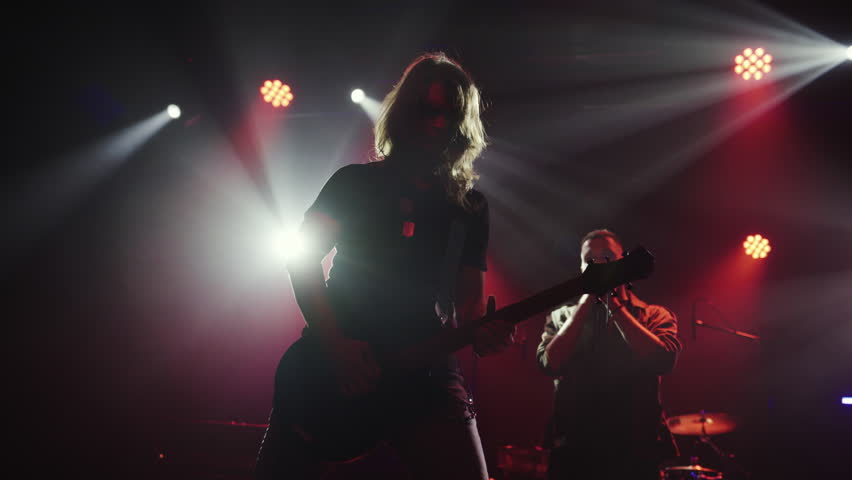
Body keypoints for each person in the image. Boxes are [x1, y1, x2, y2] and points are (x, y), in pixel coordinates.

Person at [254, 52, 516, 480]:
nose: (437, 122)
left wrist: (487, 335)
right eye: (426, 110)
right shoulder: (354, 183)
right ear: (403, 114)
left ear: (461, 122)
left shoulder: (469, 207)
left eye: (449, 113)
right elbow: (301, 259)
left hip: (426, 372)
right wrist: (335, 343)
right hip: (337, 361)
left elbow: (470, 309)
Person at [536, 229, 682, 479]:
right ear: (581, 268)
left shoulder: (654, 315)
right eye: (590, 260)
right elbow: (550, 363)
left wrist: (613, 302)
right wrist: (587, 301)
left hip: (636, 449)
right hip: (573, 448)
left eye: (606, 258)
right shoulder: (561, 316)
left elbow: (663, 360)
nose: (598, 265)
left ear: (623, 262)